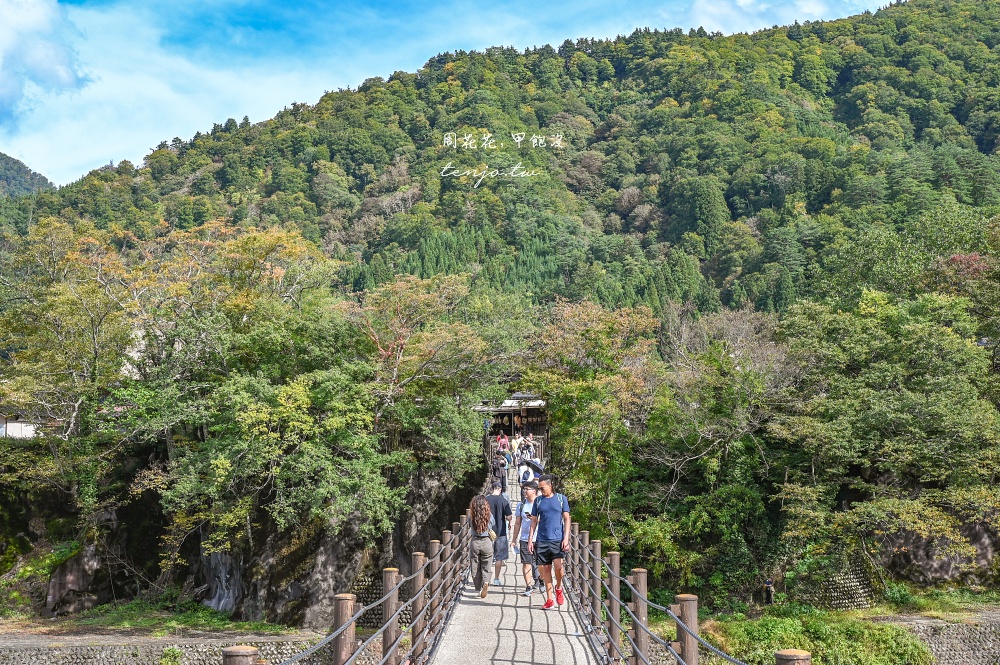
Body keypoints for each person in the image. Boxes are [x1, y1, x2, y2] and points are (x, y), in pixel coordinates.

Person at [528, 474, 571, 610]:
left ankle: (559, 587)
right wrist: (530, 540)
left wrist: (566, 538)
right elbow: (534, 521)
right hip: (542, 539)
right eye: (539, 489)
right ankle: (549, 599)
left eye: (542, 488)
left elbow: (567, 519)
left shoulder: (561, 499)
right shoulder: (538, 501)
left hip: (557, 539)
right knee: (546, 569)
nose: (540, 491)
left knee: (558, 567)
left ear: (550, 486)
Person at [511, 481, 542, 596]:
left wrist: (534, 519)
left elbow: (546, 520)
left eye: (526, 489)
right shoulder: (521, 505)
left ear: (534, 491)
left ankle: (540, 580)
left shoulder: (541, 503)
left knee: (540, 563)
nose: (524, 491)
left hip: (539, 538)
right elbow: (517, 523)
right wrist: (514, 539)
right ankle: (528, 586)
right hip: (524, 538)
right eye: (524, 489)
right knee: (526, 563)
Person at [486, 481, 512, 587]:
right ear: (500, 489)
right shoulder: (503, 500)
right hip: (501, 531)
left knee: (487, 556)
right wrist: (508, 521)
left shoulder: (486, 500)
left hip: (488, 532)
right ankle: (496, 579)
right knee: (499, 557)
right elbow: (509, 516)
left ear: (492, 488)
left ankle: (486, 579)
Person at [469, 494, 495, 598]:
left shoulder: (472, 517)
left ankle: (478, 588)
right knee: (486, 564)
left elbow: (469, 524)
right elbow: (493, 523)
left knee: (475, 565)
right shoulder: (489, 515)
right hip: (487, 541)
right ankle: (486, 581)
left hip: (475, 541)